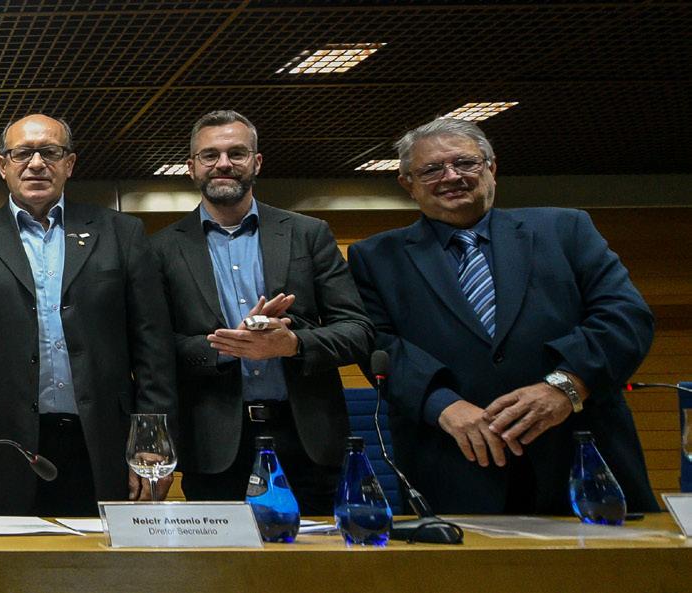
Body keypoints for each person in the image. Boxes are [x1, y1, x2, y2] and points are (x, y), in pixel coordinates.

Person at [348, 117, 656, 514]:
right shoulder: (374, 258)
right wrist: (443, 405)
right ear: (408, 183)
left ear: (491, 167)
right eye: (431, 169)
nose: (451, 176)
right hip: (455, 465)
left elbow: (625, 316)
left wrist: (566, 386)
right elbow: (378, 344)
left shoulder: (566, 229)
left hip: (581, 455)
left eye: (465, 163)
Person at [0, 114, 175, 517]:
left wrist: (152, 443)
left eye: (50, 152)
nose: (36, 164)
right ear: (3, 165)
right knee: (8, 557)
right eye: (22, 153)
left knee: (108, 556)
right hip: (3, 449)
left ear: (69, 163)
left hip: (107, 445)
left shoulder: (122, 234)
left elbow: (154, 352)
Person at [150, 111, 372, 514]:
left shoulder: (309, 234)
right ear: (191, 167)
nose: (223, 164)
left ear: (256, 162)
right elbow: (155, 349)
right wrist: (227, 347)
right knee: (221, 555)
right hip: (215, 446)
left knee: (320, 552)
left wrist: (292, 344)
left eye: (236, 153)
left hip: (308, 438)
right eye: (210, 155)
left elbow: (358, 330)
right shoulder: (161, 249)